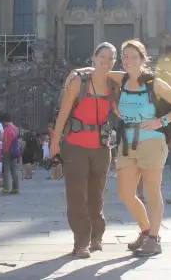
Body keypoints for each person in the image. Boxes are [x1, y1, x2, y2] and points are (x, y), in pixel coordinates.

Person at [69, 39, 171, 256]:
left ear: (143, 59)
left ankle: (154, 238)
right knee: (125, 193)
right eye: (125, 56)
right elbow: (100, 71)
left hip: (152, 141)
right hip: (128, 142)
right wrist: (79, 72)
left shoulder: (154, 83)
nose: (129, 61)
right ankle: (145, 231)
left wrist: (160, 122)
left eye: (134, 56)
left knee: (152, 192)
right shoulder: (121, 79)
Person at [51, 42, 118, 258]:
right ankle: (81, 242)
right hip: (75, 145)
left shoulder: (113, 85)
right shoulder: (79, 81)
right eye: (102, 56)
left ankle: (96, 236)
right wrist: (54, 144)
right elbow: (63, 113)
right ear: (94, 57)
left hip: (101, 147)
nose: (106, 61)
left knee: (97, 194)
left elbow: (121, 111)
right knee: (77, 195)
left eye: (111, 58)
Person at [1, 113, 20, 195]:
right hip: (15, 150)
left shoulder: (7, 129)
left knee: (6, 170)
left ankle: (6, 188)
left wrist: (4, 150)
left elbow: (6, 141)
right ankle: (16, 188)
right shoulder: (15, 128)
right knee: (14, 170)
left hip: (7, 150)